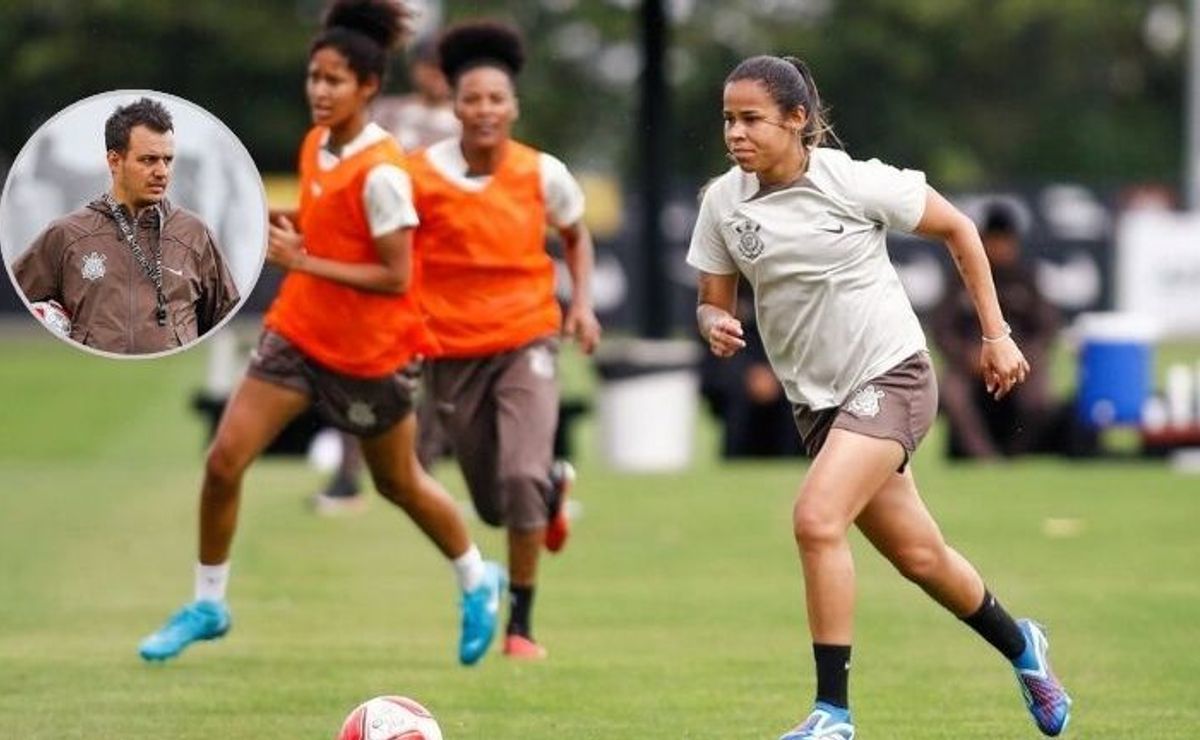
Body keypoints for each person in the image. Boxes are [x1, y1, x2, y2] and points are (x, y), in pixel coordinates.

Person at [687, 56, 1072, 738]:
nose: (736, 134)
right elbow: (713, 301)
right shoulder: (723, 202)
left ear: (797, 120)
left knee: (815, 518)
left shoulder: (855, 182)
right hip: (820, 404)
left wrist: (996, 335)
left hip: (891, 374)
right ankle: (1024, 647)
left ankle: (831, 714)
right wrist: (715, 323)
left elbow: (960, 229)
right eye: (728, 119)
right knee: (922, 558)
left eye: (751, 119)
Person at [137, 0, 504, 667]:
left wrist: (301, 259)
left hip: (371, 354)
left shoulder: (386, 171)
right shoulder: (316, 144)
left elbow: (395, 275)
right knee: (224, 462)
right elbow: (324, 226)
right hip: (299, 332)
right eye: (314, 76)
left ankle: (478, 579)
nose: (319, 90)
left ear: (368, 87)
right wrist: (269, 226)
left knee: (400, 486)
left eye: (334, 80)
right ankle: (208, 604)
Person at [405, 20, 601, 660]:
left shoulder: (543, 173)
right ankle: (553, 488)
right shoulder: (417, 176)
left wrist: (583, 306)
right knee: (493, 505)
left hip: (527, 339)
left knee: (519, 480)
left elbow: (575, 235)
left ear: (514, 106)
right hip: (450, 353)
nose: (485, 110)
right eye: (472, 99)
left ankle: (520, 627)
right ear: (454, 105)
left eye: (497, 99)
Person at [313, 33, 462, 515]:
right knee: (358, 362)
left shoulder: (469, 120)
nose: (437, 77)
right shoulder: (388, 114)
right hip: (382, 252)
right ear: (417, 70)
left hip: (439, 261)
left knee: (438, 369)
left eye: (445, 68)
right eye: (430, 67)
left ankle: (419, 470)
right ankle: (349, 472)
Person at [13, 97, 239, 354]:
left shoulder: (195, 232)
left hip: (168, 386)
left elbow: (226, 318)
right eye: (148, 160)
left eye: (167, 160)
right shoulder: (66, 234)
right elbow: (18, 301)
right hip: (86, 383)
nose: (162, 171)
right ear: (114, 161)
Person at [932, 202, 1064, 459]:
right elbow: (942, 328)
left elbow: (1047, 327)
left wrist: (1023, 357)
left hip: (1019, 363)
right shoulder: (961, 277)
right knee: (952, 394)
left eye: (1005, 242)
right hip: (969, 363)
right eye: (993, 242)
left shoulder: (1026, 279)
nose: (999, 249)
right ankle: (983, 457)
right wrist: (964, 356)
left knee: (1039, 399)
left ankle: (1015, 455)